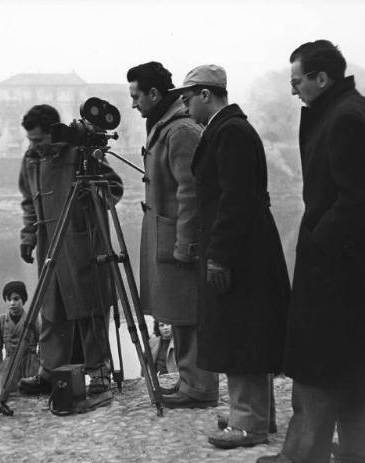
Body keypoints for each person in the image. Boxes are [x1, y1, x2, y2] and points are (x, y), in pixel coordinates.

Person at [258, 40, 365, 463]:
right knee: (354, 372)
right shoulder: (353, 109)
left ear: (321, 78)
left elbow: (356, 201)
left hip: (336, 272)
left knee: (317, 368)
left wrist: (316, 241)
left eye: (297, 81)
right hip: (356, 270)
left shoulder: (345, 118)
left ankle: (301, 457)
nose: (293, 90)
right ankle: (360, 456)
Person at [172, 64, 290, 449]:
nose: (185, 105)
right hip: (248, 248)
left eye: (188, 97)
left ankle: (248, 424)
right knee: (246, 332)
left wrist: (219, 256)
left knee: (241, 334)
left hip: (239, 253)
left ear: (207, 95)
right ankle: (256, 415)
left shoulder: (231, 132)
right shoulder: (228, 129)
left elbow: (235, 200)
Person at [127, 61, 219, 408]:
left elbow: (190, 191)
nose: (133, 104)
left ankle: (199, 386)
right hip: (166, 234)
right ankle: (188, 381)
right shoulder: (164, 125)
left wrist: (186, 243)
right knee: (176, 311)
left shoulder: (179, 130)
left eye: (136, 96)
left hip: (178, 238)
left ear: (154, 94)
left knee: (188, 312)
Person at [17, 104, 124, 395]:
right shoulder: (30, 160)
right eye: (30, 140)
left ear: (53, 133)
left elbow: (113, 186)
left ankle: (99, 372)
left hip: (80, 242)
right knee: (51, 312)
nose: (33, 146)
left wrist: (91, 199)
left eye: (38, 140)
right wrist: (28, 236)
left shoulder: (79, 153)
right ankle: (49, 372)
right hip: (48, 244)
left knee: (90, 308)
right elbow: (29, 202)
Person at [0, 281, 40, 392]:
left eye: (16, 299)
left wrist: (38, 361)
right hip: (9, 367)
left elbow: (42, 341)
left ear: (23, 300)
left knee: (31, 397)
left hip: (30, 364)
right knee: (9, 397)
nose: (12, 303)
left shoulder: (32, 318)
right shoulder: (2, 320)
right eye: (9, 300)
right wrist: (0, 366)